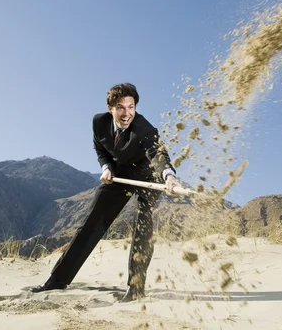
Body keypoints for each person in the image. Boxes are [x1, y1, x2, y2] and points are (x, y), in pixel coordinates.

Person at [30, 83, 181, 302]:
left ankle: (136, 289)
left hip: (149, 177)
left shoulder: (145, 129)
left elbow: (157, 153)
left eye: (131, 107)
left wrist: (169, 176)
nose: (127, 113)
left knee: (143, 227)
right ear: (110, 108)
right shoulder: (98, 123)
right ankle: (57, 281)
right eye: (121, 107)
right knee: (91, 224)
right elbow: (101, 149)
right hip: (120, 175)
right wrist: (106, 167)